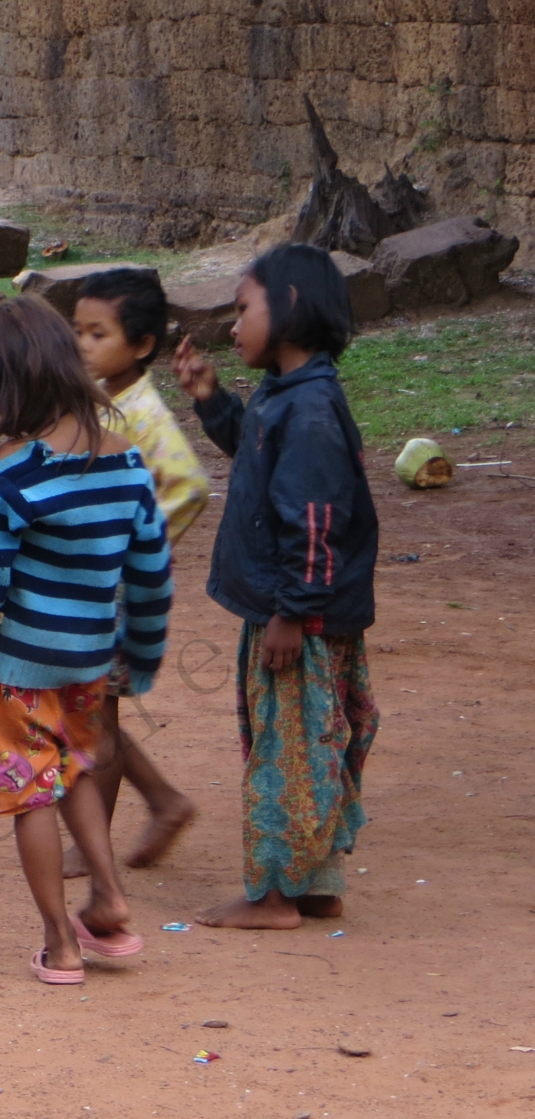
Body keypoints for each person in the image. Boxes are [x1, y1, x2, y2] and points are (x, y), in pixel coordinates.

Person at [0, 295, 172, 984]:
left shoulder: (11, 474)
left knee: (29, 790)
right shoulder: (126, 464)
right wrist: (139, 654)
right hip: (89, 661)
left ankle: (61, 942)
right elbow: (150, 572)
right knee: (77, 771)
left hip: (17, 669)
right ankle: (111, 896)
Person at [172, 245, 379, 929]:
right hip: (301, 610)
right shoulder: (289, 396)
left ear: (289, 306)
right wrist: (210, 400)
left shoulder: (311, 410)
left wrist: (293, 612)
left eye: (242, 310)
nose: (232, 328)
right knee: (306, 743)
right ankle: (315, 882)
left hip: (301, 617)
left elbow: (314, 520)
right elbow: (261, 459)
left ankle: (270, 897)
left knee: (284, 753)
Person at [62, 267, 208, 875]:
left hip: (118, 593)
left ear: (142, 346)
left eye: (98, 334)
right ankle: (161, 802)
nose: (83, 345)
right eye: (78, 332)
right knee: (97, 714)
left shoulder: (141, 414)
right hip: (99, 588)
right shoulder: (106, 405)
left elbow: (190, 485)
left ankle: (102, 837)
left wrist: (139, 548)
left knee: (97, 717)